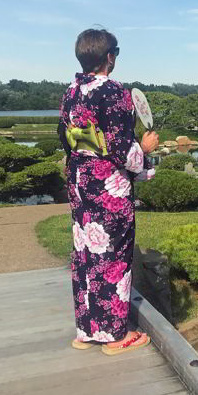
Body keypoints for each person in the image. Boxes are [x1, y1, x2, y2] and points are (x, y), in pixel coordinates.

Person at [58, 28, 159, 356]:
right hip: (108, 189)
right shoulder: (114, 92)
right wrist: (144, 150)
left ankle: (86, 330)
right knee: (113, 259)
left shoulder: (72, 92)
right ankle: (116, 336)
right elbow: (120, 148)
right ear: (109, 56)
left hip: (81, 183)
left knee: (86, 255)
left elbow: (69, 139)